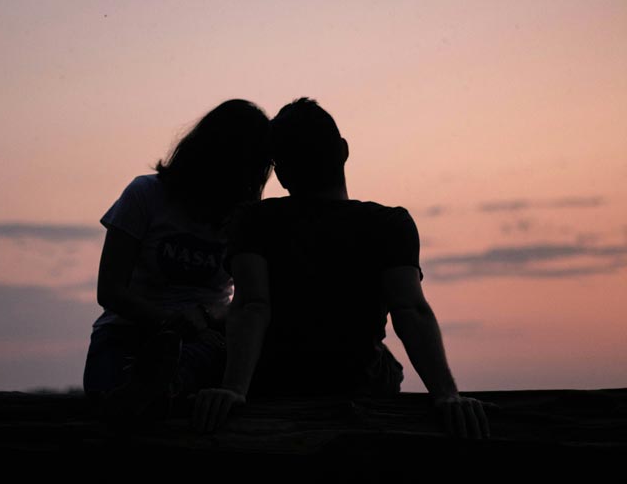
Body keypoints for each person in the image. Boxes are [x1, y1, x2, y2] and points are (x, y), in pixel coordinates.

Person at [193, 98, 490, 439]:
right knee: (387, 365)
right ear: (344, 151)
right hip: (358, 386)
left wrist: (233, 389)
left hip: (275, 384)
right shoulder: (390, 224)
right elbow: (410, 310)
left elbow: (251, 305)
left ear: (283, 174)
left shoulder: (253, 220)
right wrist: (447, 394)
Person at [83, 99, 272, 421]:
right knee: (114, 386)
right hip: (124, 333)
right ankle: (153, 389)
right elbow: (110, 291)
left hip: (203, 339)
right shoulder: (144, 194)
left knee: (196, 362)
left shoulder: (245, 218)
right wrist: (169, 322)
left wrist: (204, 318)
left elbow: (248, 301)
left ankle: (158, 389)